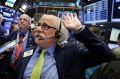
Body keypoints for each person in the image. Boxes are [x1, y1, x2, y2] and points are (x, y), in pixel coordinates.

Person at [15, 14, 112, 79]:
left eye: (45, 26)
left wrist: (80, 30)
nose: (38, 29)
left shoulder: (72, 53)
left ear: (58, 34)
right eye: (39, 25)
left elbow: (105, 55)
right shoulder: (24, 54)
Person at [0, 14, 36, 79]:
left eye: (25, 20)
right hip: (8, 71)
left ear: (29, 24)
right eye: (20, 19)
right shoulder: (10, 36)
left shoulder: (34, 39)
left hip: (23, 72)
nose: (22, 21)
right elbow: (3, 53)